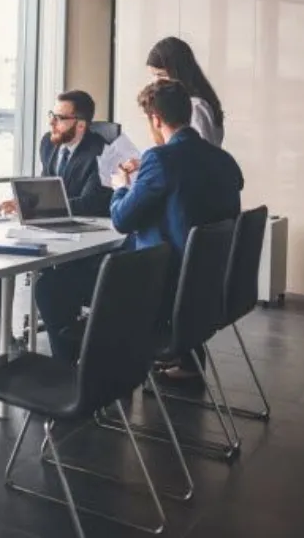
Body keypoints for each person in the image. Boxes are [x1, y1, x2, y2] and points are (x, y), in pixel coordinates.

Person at [108, 79, 244, 381]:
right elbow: (190, 200)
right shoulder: (224, 160)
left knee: (58, 288)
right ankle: (185, 358)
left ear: (155, 119)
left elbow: (121, 220)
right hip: (210, 283)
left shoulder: (159, 159)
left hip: (166, 284)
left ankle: (99, 376)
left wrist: (120, 188)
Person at [0, 90, 111, 361]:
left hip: (83, 229)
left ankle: (70, 350)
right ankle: (1, 336)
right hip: (47, 223)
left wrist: (42, 208)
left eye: (60, 117)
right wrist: (24, 201)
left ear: (80, 124)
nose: (52, 123)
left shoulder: (101, 152)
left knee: (54, 283)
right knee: (3, 255)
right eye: (51, 115)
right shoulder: (49, 143)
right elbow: (47, 185)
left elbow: (93, 202)